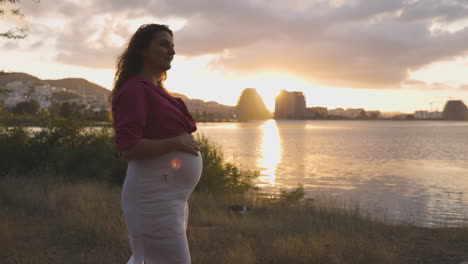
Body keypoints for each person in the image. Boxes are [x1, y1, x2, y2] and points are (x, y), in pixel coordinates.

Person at [108, 23, 203, 264]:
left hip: (170, 197)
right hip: (152, 197)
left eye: (172, 46)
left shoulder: (156, 90)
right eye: (163, 44)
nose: (171, 51)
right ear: (142, 50)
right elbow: (127, 148)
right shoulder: (134, 90)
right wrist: (176, 142)